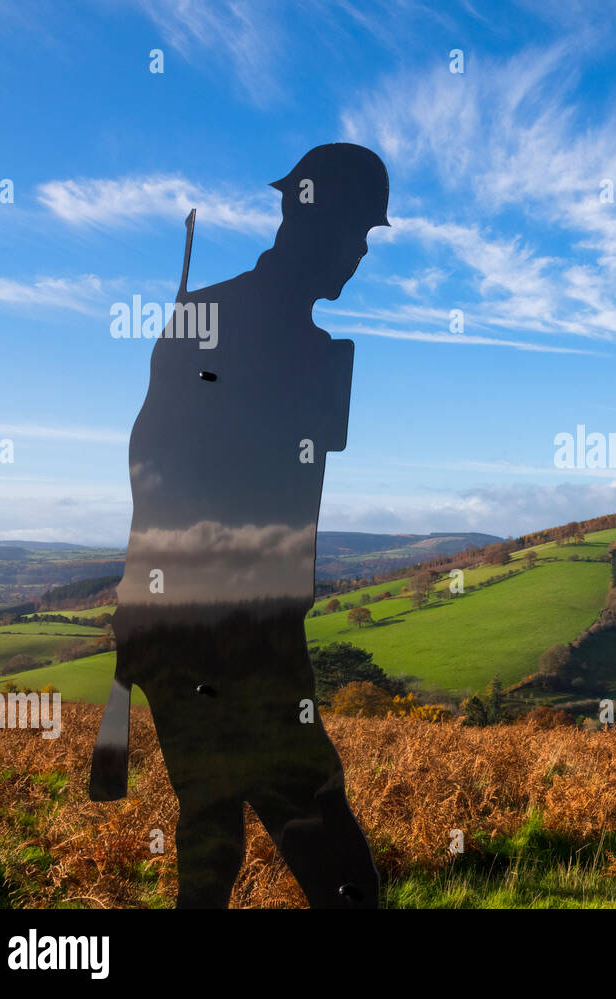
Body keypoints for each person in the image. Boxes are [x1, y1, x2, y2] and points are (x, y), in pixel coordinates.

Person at [89, 143, 390, 908]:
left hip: (229, 630)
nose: (359, 252)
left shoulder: (273, 337)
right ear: (305, 216)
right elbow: (157, 470)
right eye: (355, 230)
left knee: (212, 840)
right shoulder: (217, 321)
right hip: (224, 634)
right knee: (333, 859)